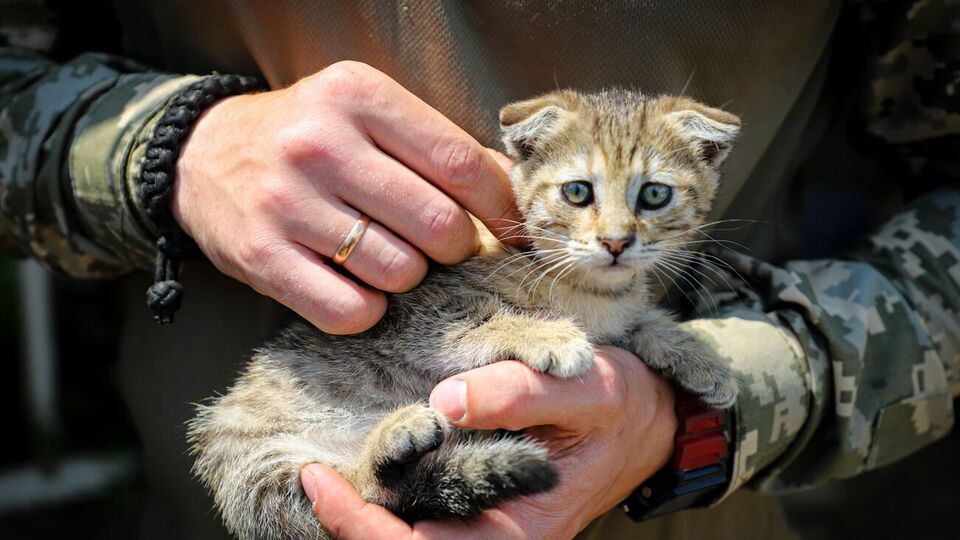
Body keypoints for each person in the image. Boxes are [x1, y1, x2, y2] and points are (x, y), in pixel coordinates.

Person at [2, 1, 958, 538]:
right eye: (589, 202)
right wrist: (166, 148)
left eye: (651, 203)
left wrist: (727, 394)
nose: (619, 232)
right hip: (231, 486)